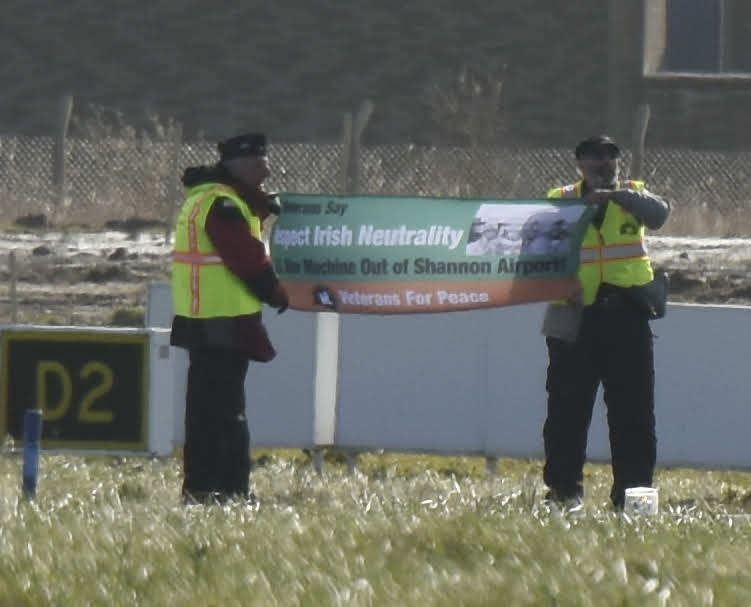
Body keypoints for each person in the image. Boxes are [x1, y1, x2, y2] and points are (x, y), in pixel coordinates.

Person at [541, 134, 671, 510]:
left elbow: (659, 213)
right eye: (594, 161)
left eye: (610, 160)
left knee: (634, 415)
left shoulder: (634, 195)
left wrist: (615, 196)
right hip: (574, 316)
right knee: (566, 412)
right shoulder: (561, 200)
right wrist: (584, 205)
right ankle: (564, 495)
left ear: (619, 163)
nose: (603, 166)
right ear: (579, 165)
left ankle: (634, 501)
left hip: (627, 315)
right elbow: (537, 236)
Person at [170, 132, 289, 505]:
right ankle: (230, 493)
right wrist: (276, 291)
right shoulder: (223, 205)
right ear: (240, 166)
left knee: (205, 413)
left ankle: (201, 490)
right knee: (226, 414)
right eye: (259, 164)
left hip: (203, 319)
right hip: (225, 323)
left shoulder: (206, 198)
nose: (266, 171)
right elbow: (247, 258)